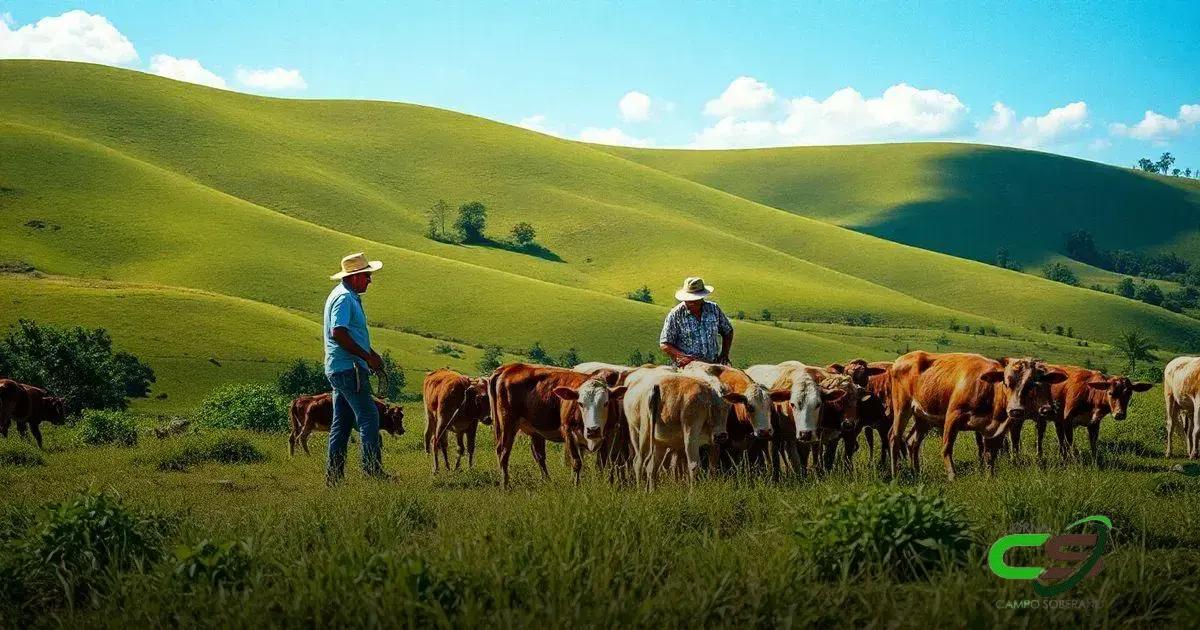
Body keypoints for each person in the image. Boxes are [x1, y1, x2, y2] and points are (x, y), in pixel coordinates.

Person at [323, 252, 389, 485]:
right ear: (355, 276)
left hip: (340, 367)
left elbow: (349, 333)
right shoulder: (345, 299)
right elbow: (338, 332)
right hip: (350, 368)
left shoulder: (342, 295)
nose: (370, 280)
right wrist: (365, 357)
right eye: (367, 275)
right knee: (369, 416)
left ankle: (334, 478)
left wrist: (370, 354)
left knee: (341, 423)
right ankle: (372, 471)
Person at [659, 276, 734, 367]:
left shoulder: (713, 309)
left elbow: (728, 331)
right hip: (687, 367)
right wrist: (681, 357)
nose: (691, 302)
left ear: (702, 298)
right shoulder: (676, 314)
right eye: (688, 299)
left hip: (713, 364)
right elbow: (665, 344)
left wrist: (724, 354)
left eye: (695, 299)